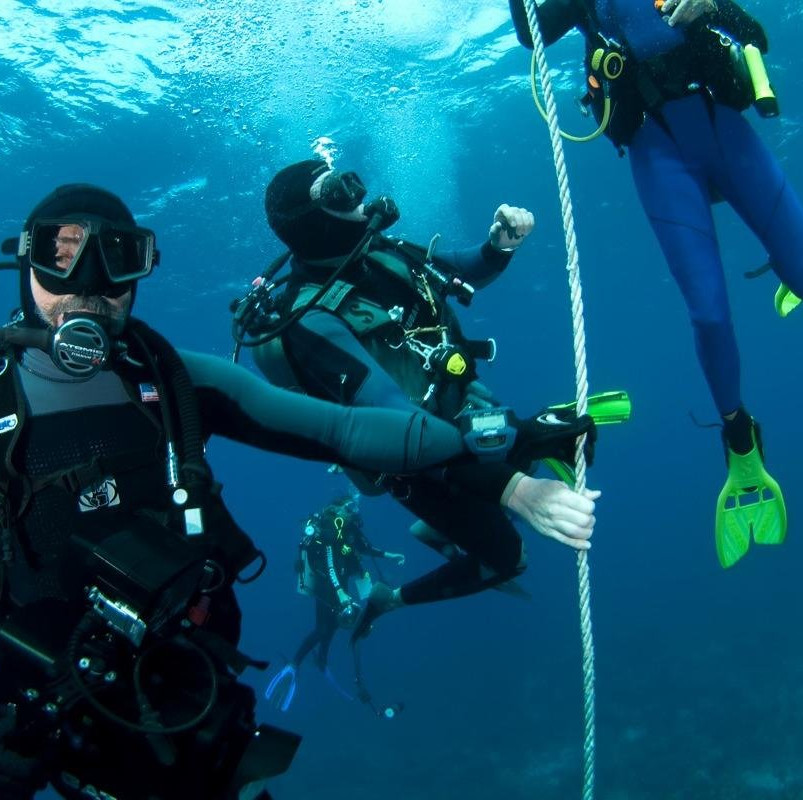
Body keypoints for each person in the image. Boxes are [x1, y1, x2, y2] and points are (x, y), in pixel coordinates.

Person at [0, 184, 598, 800]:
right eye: (61, 255)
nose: (88, 287)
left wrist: (505, 468)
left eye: (117, 259)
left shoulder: (176, 381)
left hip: (200, 705)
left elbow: (348, 431)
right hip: (52, 730)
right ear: (24, 264)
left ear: (141, 269)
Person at [509, 0, 803, 567]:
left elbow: (755, 35)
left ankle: (787, 274)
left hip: (722, 124)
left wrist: (710, 4)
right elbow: (532, 35)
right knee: (708, 313)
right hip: (657, 149)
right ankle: (738, 438)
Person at [234, 159, 601, 643]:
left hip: (462, 410)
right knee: (511, 559)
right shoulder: (308, 322)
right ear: (315, 219)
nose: (360, 194)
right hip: (411, 460)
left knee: (559, 438)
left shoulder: (376, 251)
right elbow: (397, 418)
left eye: (352, 180)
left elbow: (445, 271)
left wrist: (496, 249)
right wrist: (515, 489)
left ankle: (447, 524)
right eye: (342, 192)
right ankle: (392, 598)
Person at [264, 495, 404, 713]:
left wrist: (389, 555)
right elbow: (329, 565)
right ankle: (294, 664)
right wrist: (340, 595)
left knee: (336, 624)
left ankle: (321, 659)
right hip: (326, 587)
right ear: (338, 508)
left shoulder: (348, 527)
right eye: (349, 507)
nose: (353, 511)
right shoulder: (331, 526)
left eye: (354, 507)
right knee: (322, 628)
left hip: (341, 583)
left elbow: (364, 547)